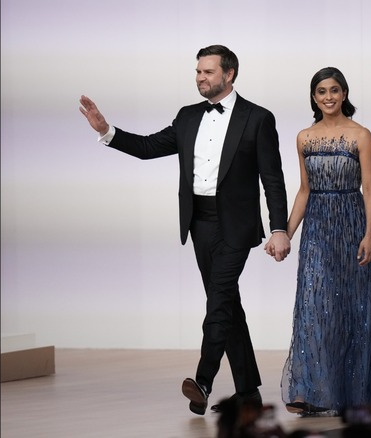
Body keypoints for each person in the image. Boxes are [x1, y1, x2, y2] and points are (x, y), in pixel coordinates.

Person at [78, 44, 291, 416]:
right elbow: (147, 147)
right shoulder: (188, 116)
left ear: (229, 74)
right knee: (227, 306)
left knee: (218, 300)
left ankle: (203, 380)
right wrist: (107, 131)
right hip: (199, 223)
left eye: (208, 72)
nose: (200, 78)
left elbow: (273, 179)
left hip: (237, 226)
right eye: (197, 72)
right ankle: (249, 394)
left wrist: (279, 229)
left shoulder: (258, 118)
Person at [279, 67, 371, 416]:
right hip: (316, 231)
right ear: (314, 97)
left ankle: (351, 395)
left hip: (351, 226)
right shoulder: (304, 138)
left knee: (350, 311)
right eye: (321, 91)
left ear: (344, 94)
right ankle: (309, 392)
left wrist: (369, 235)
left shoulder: (361, 135)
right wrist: (285, 232)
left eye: (335, 90)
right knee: (313, 309)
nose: (328, 97)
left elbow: (369, 190)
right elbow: (304, 190)